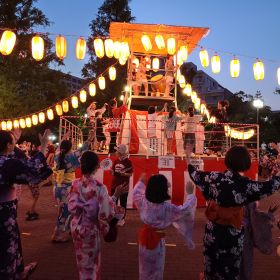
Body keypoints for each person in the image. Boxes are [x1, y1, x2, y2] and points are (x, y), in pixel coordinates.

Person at [188, 145, 280, 280]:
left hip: (213, 232)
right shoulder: (246, 185)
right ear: (246, 164)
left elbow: (194, 173)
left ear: (228, 160)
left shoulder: (213, 177)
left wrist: (188, 157)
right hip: (233, 233)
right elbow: (271, 186)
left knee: (211, 267)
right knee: (230, 269)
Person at [0, 129, 52, 279]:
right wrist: (42, 147)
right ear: (9, 145)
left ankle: (19, 271)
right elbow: (32, 171)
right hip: (3, 215)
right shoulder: (7, 164)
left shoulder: (9, 162)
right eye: (13, 142)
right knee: (7, 246)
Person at [68, 151, 125, 280]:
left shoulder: (75, 183)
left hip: (76, 227)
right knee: (92, 266)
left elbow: (72, 206)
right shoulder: (99, 187)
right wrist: (115, 195)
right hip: (90, 230)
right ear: (96, 167)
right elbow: (106, 212)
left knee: (82, 263)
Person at [133, 174, 197, 280]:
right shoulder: (167, 208)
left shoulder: (143, 201)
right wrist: (190, 194)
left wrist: (141, 182)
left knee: (144, 269)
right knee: (156, 270)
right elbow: (185, 210)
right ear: (164, 191)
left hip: (144, 240)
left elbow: (136, 193)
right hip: (157, 241)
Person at [52, 137, 89, 242]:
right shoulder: (71, 156)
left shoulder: (57, 156)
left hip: (58, 187)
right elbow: (82, 150)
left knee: (62, 211)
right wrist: (89, 139)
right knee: (66, 212)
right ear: (70, 148)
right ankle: (58, 235)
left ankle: (59, 232)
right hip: (67, 188)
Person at [239, 202, 278, 280]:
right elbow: (254, 217)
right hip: (242, 234)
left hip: (217, 233)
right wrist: (268, 216)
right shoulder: (248, 195)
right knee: (243, 266)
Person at [111, 144, 133, 226]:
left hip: (124, 186)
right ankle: (114, 217)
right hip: (114, 185)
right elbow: (113, 171)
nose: (116, 152)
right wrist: (112, 172)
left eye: (117, 151)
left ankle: (122, 219)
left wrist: (124, 174)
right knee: (113, 202)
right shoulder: (116, 161)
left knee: (123, 202)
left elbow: (130, 174)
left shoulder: (128, 162)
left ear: (121, 152)